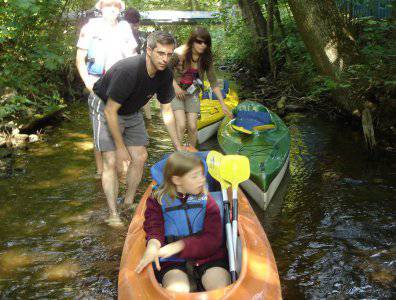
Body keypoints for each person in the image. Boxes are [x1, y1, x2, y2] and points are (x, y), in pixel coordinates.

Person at [90, 31, 182, 226]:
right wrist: (121, 147)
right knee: (112, 159)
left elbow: (166, 110)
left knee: (140, 156)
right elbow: (110, 111)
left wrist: (178, 146)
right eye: (160, 53)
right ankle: (113, 213)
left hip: (131, 109)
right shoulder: (129, 70)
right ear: (148, 51)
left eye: (169, 54)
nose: (165, 59)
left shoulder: (165, 74)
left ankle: (128, 203)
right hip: (105, 105)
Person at [135, 151, 230, 292]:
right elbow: (154, 228)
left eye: (202, 175)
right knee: (177, 289)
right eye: (195, 176)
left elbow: (213, 239)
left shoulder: (207, 200)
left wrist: (179, 246)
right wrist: (153, 246)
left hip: (209, 258)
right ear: (177, 180)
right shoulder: (158, 200)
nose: (202, 180)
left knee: (219, 288)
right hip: (173, 262)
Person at [76, 0, 138, 179]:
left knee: (121, 126)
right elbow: (80, 59)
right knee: (100, 129)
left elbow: (133, 57)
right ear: (101, 8)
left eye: (116, 6)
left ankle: (121, 172)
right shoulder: (91, 27)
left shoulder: (125, 28)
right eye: (108, 5)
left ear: (120, 9)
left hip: (122, 85)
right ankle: (100, 171)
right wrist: (89, 83)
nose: (112, 9)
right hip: (98, 83)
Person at [169, 26, 233, 147]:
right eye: (199, 41)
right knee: (181, 124)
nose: (203, 45)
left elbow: (213, 82)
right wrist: (176, 88)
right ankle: (177, 153)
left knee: (193, 126)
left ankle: (191, 152)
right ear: (192, 41)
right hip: (175, 92)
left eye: (206, 42)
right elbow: (165, 71)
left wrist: (223, 104)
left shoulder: (206, 58)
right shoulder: (178, 53)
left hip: (192, 94)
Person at [124, 7, 152, 120]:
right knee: (143, 91)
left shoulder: (120, 28)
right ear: (137, 21)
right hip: (135, 65)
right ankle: (149, 119)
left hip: (124, 67)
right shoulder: (134, 32)